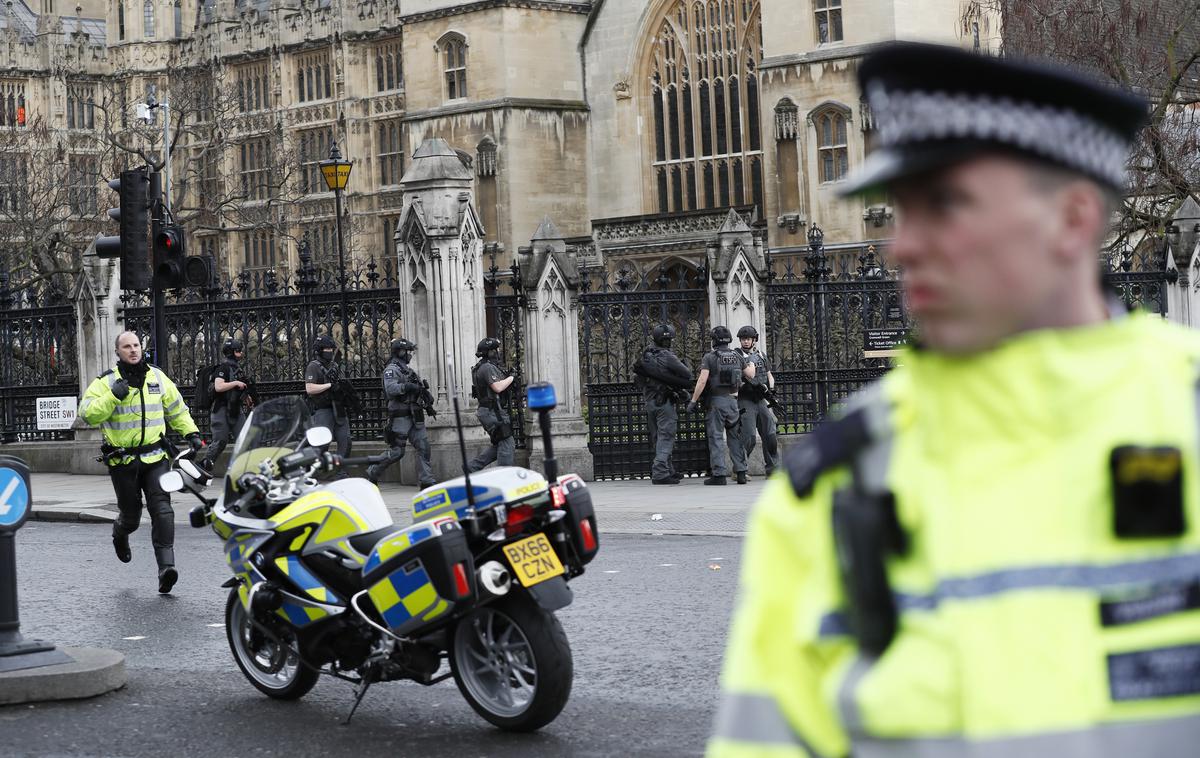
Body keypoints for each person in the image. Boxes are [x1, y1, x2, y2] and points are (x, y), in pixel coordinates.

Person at [709, 42, 1200, 758]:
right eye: (899, 208)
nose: (901, 245)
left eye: (945, 203)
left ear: (1072, 218)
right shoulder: (837, 485)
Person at [79, 331, 203, 594]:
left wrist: (191, 433)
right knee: (132, 517)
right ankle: (120, 533)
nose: (133, 350)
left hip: (155, 457)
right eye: (127, 347)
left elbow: (177, 409)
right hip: (123, 461)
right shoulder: (107, 382)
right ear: (118, 352)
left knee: (163, 510)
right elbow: (87, 414)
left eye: (136, 345)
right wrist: (113, 396)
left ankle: (166, 569)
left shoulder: (157, 377)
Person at [687, 325, 754, 485]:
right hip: (733, 401)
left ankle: (719, 475)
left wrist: (693, 401)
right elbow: (750, 374)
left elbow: (702, 380)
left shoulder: (710, 357)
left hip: (716, 402)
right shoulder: (737, 356)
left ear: (714, 340)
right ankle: (741, 472)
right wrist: (751, 362)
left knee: (716, 437)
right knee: (735, 438)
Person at [366, 338, 437, 488]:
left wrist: (426, 397)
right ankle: (372, 472)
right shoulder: (392, 370)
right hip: (400, 415)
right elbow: (391, 389)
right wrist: (407, 387)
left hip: (415, 415)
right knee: (397, 451)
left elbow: (418, 389)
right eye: (408, 352)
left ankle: (427, 481)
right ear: (400, 351)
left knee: (424, 447)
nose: (410, 355)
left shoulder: (409, 371)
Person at [636, 324, 694, 484]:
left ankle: (669, 469)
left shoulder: (646, 355)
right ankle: (660, 472)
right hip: (665, 402)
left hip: (650, 401)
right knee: (667, 436)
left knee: (658, 437)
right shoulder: (667, 356)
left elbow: (639, 380)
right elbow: (686, 374)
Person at [200, 338, 255, 472]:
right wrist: (236, 383)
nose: (241, 353)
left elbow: (238, 389)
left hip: (235, 409)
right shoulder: (222, 368)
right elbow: (219, 386)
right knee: (220, 441)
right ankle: (205, 466)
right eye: (238, 351)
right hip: (221, 409)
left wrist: (247, 398)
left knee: (244, 440)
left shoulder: (237, 368)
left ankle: (247, 469)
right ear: (231, 352)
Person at [732, 325, 778, 478]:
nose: (745, 341)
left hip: (761, 400)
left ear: (754, 340)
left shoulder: (761, 355)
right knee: (749, 436)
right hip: (746, 400)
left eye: (748, 339)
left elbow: (769, 375)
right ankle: (739, 468)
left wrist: (771, 390)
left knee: (770, 433)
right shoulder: (736, 356)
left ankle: (772, 469)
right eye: (743, 339)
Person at [467, 337, 516, 472]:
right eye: (496, 350)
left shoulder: (481, 367)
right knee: (507, 443)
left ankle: (472, 467)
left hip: (489, 410)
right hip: (492, 411)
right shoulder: (487, 367)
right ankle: (504, 478)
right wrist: (511, 378)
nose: (498, 352)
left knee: (500, 443)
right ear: (490, 352)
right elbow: (497, 387)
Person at [305, 335, 352, 462]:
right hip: (322, 409)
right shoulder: (313, 366)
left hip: (338, 407)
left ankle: (340, 471)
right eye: (327, 349)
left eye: (331, 349)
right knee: (322, 444)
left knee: (346, 441)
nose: (330, 351)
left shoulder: (335, 366)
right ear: (319, 350)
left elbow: (339, 382)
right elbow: (309, 389)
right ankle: (314, 470)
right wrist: (329, 385)